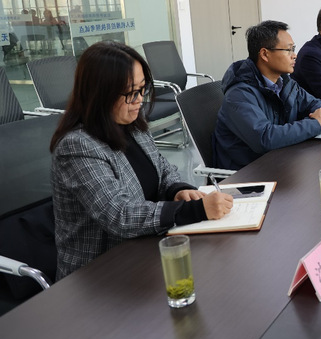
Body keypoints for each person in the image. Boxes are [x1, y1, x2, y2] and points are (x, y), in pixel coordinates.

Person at [50, 41, 233, 280]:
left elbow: (163, 169)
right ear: (100, 94)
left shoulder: (133, 126)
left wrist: (178, 190)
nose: (139, 100)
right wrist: (194, 210)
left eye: (142, 89)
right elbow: (119, 214)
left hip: (144, 251)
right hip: (99, 274)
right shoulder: (78, 146)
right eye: (131, 93)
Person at [213, 20, 321, 170]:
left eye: (293, 49)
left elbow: (315, 104)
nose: (294, 55)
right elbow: (265, 138)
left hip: (281, 162)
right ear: (265, 54)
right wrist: (316, 124)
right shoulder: (239, 94)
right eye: (288, 50)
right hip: (248, 173)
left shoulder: (286, 82)